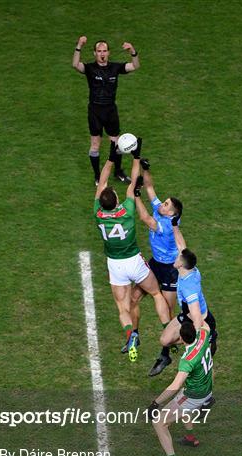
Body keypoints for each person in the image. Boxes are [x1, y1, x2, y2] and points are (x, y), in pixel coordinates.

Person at [94, 139, 170, 361]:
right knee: (155, 293)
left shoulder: (97, 212)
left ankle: (131, 335)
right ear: (116, 199)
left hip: (115, 266)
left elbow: (102, 182)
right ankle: (168, 328)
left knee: (122, 308)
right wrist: (135, 156)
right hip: (134, 262)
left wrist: (111, 156)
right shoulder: (127, 209)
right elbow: (133, 181)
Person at [122, 159, 182, 365]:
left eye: (166, 204)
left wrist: (136, 196)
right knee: (133, 299)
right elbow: (150, 187)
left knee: (168, 312)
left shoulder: (165, 225)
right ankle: (134, 336)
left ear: (172, 213)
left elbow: (146, 219)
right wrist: (145, 169)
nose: (161, 204)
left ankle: (165, 355)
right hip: (154, 264)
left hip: (169, 271)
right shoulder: (162, 211)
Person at [149, 219, 218, 376]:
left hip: (200, 321)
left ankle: (211, 338)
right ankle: (166, 357)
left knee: (196, 365)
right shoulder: (188, 268)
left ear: (181, 265)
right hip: (187, 316)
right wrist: (174, 226)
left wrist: (195, 342)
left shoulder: (189, 289)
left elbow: (197, 318)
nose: (176, 257)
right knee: (164, 340)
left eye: (178, 258)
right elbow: (181, 244)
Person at [146, 320, 215, 456]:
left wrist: (155, 402)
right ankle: (190, 438)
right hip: (207, 387)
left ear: (182, 339)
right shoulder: (204, 334)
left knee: (159, 422)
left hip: (194, 395)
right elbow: (204, 322)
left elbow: (175, 385)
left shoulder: (187, 360)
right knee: (182, 401)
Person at [73, 36, 140, 185]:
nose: (102, 54)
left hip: (110, 110)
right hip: (95, 111)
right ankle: (98, 176)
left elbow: (135, 66)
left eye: (104, 51)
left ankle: (117, 172)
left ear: (108, 53)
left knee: (115, 144)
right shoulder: (90, 68)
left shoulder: (115, 68)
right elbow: (75, 64)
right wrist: (79, 45)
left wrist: (133, 51)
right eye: (99, 51)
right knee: (95, 144)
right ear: (94, 53)